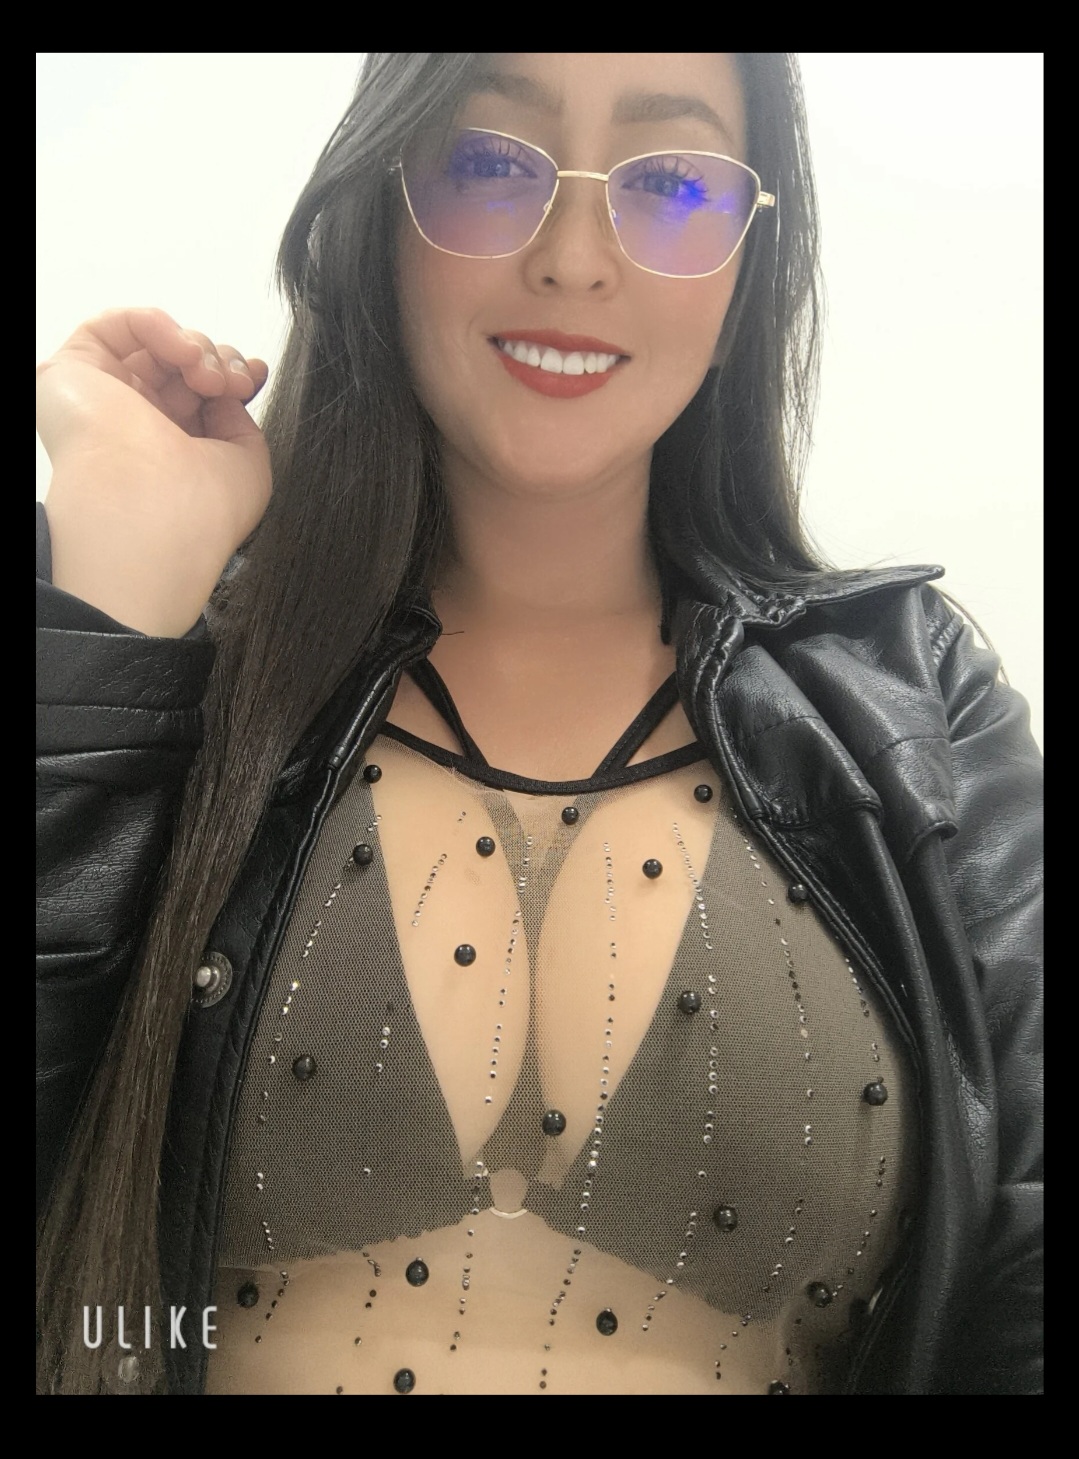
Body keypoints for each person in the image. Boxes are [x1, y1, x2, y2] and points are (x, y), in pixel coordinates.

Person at [36, 52, 1043, 1396]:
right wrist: (111, 593)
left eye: (671, 182)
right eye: (487, 161)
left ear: (752, 256)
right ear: (384, 206)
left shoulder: (915, 705)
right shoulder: (180, 666)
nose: (573, 258)